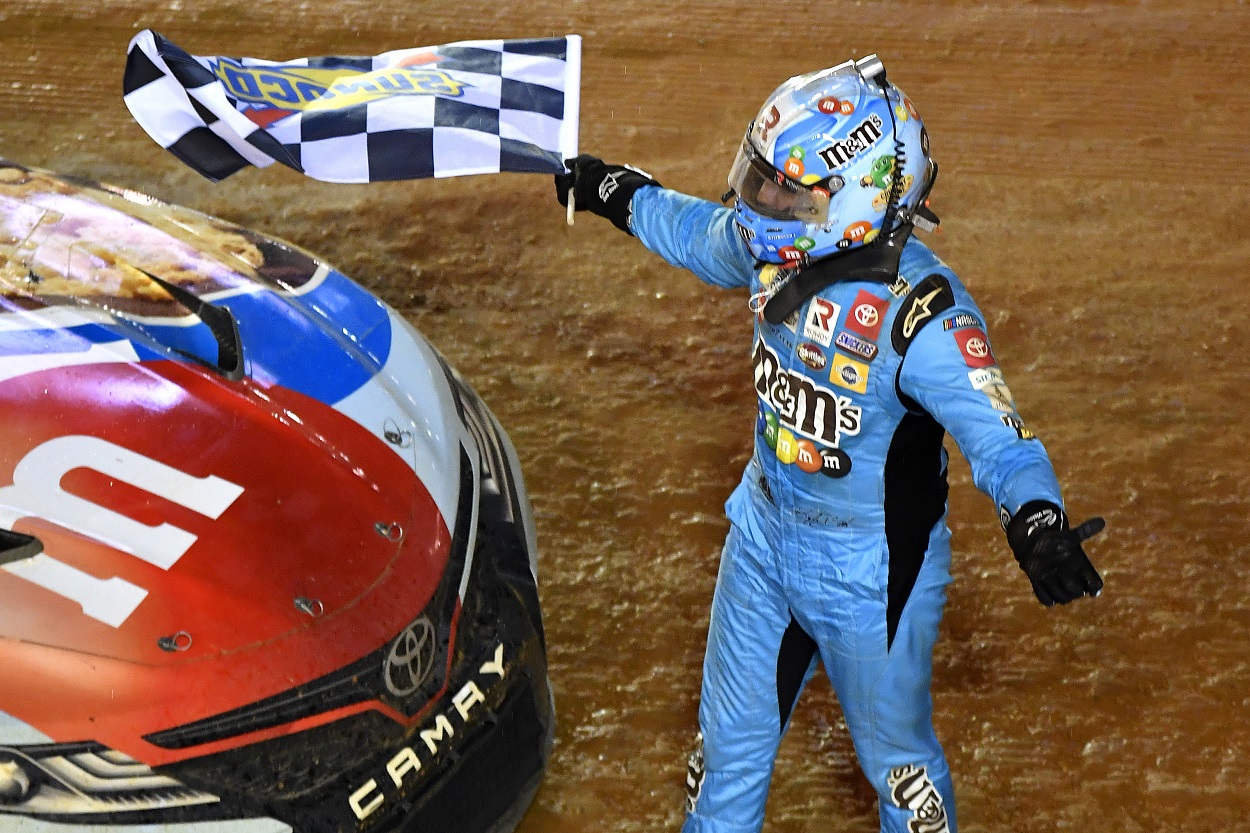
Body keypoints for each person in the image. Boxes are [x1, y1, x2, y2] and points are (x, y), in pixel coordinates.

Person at [554, 55, 1105, 833]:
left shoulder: (926, 314)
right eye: (762, 176)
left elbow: (1002, 439)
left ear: (861, 194)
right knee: (721, 764)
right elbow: (689, 230)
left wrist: (1038, 523)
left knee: (902, 776)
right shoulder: (773, 245)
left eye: (786, 189)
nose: (760, 200)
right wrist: (615, 191)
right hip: (762, 540)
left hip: (874, 575)